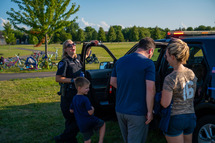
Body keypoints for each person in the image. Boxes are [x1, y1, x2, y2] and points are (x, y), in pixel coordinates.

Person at [110, 37, 156, 143]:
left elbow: (112, 82)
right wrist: (150, 111)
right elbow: (150, 88)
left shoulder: (120, 60)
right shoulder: (148, 63)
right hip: (138, 112)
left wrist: (128, 88)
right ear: (150, 51)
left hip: (120, 110)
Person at [160, 38, 197, 143]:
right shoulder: (191, 73)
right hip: (191, 116)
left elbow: (165, 103)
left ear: (172, 57)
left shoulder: (170, 78)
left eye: (166, 55)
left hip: (176, 118)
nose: (165, 58)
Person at [55, 39, 91, 143]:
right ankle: (63, 139)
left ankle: (67, 139)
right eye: (69, 45)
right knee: (75, 119)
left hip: (77, 95)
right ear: (65, 49)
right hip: (68, 96)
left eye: (73, 44)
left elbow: (87, 54)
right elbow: (58, 78)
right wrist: (72, 80)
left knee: (71, 121)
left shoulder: (78, 59)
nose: (72, 46)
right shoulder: (64, 62)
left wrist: (90, 44)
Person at [70, 77, 106, 143]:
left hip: (81, 123)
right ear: (79, 88)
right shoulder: (85, 99)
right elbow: (90, 112)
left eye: (88, 87)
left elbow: (71, 110)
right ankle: (100, 141)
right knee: (102, 124)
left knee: (87, 140)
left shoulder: (74, 98)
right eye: (86, 88)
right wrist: (93, 108)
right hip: (89, 120)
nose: (88, 89)